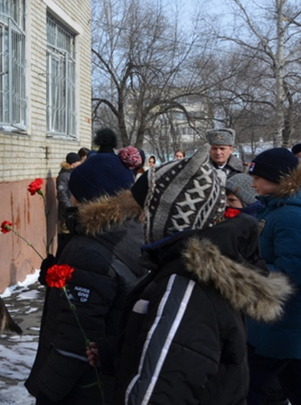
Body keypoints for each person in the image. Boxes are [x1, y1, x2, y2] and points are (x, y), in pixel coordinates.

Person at [108, 145, 292, 405]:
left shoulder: (185, 284)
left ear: (168, 215)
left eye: (146, 210)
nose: (140, 220)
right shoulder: (192, 270)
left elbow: (160, 391)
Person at [26, 150, 147, 405]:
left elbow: (77, 337)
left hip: (79, 389)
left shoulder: (89, 250)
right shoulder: (127, 232)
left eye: (74, 192)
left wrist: (47, 391)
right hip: (105, 383)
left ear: (89, 199)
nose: (69, 198)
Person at [245, 148, 301, 405]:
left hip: (281, 323)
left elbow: (290, 272)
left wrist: (246, 270)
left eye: (259, 178)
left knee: (250, 386)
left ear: (278, 179)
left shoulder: (289, 216)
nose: (253, 183)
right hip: (276, 324)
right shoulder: (275, 209)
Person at [56, 152, 82, 233]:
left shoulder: (74, 173)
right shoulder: (64, 176)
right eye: (78, 162)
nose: (80, 163)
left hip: (75, 211)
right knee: (67, 235)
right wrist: (70, 209)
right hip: (68, 213)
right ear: (73, 163)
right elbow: (62, 194)